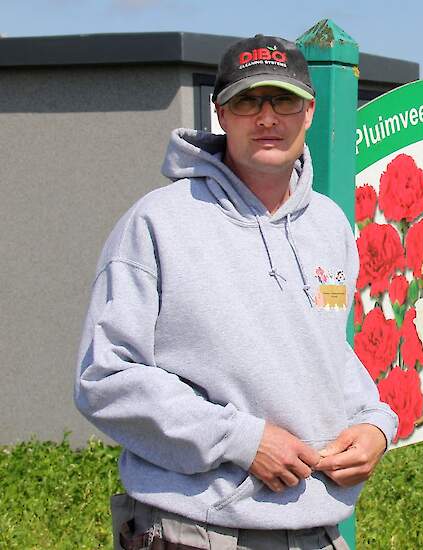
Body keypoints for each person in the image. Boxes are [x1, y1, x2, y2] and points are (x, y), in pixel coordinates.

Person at [74, 34, 396, 550]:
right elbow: (105, 376)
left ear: (309, 112)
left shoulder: (330, 225)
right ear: (220, 114)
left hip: (317, 532)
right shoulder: (157, 223)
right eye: (247, 101)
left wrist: (377, 424)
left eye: (283, 100)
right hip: (195, 532)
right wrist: (241, 441)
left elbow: (329, 354)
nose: (267, 117)